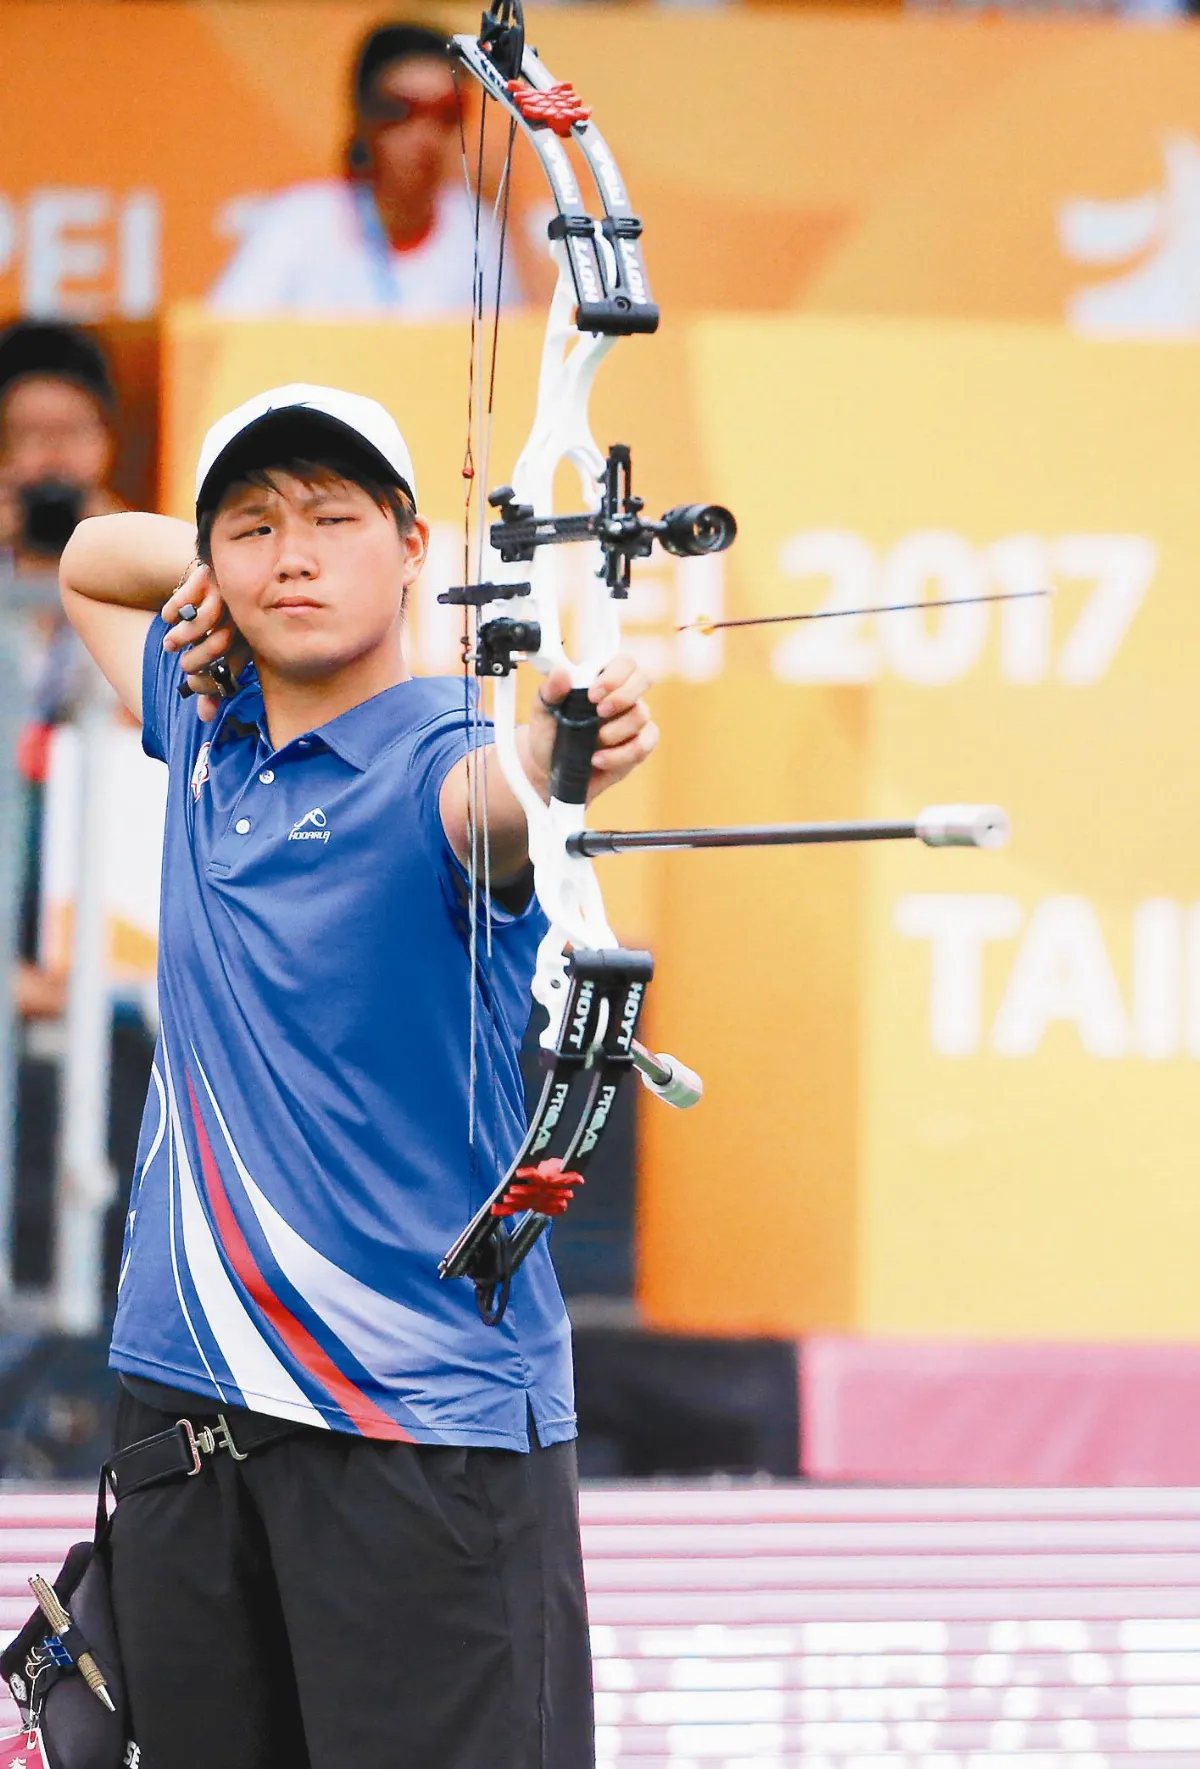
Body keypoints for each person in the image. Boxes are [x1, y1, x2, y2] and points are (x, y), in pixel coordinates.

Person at [58, 381, 658, 1768]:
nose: (296, 555)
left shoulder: (442, 757)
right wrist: (207, 581)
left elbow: (500, 806)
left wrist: (558, 750)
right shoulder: (208, 719)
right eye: (256, 526)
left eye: (336, 519)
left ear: (415, 549)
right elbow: (95, 563)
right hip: (191, 1413)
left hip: (413, 1428)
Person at [210, 22, 536, 317]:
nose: (425, 136)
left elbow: (535, 354)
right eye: (402, 110)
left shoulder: (480, 232)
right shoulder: (299, 222)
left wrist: (509, 208)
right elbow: (223, 341)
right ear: (363, 118)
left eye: (447, 112)